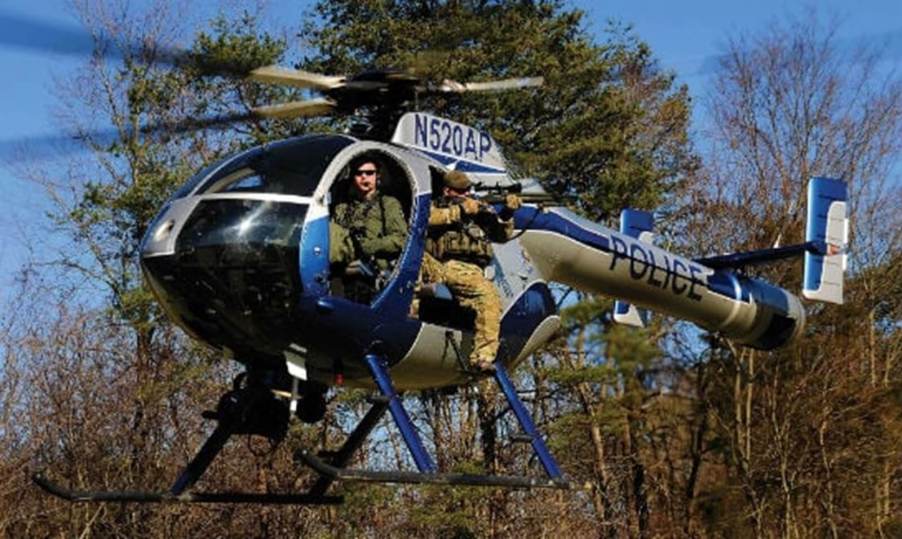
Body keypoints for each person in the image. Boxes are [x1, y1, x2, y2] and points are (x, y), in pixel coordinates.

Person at [420, 169, 521, 372]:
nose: (466, 194)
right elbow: (426, 218)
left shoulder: (479, 209)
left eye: (467, 191)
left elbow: (501, 236)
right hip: (441, 264)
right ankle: (482, 356)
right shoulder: (435, 206)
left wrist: (508, 213)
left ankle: (483, 356)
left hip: (472, 270)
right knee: (487, 297)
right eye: (460, 191)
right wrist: (462, 210)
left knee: (489, 297)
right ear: (448, 191)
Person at [331, 157, 408, 272]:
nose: (364, 177)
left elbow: (400, 239)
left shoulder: (388, 203)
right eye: (359, 173)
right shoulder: (342, 208)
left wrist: (367, 246)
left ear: (377, 176)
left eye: (369, 173)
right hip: (342, 267)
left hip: (372, 269)